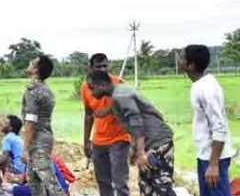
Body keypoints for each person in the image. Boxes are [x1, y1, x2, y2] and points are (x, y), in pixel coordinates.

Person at [87, 70, 176, 196]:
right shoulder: (118, 93)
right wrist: (135, 149)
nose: (90, 93)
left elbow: (137, 123)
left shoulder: (120, 96)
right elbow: (132, 126)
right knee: (146, 187)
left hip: (158, 141)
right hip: (147, 143)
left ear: (101, 85)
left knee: (161, 187)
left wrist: (140, 152)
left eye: (92, 88)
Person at [180, 44, 234, 196]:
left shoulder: (208, 89)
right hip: (205, 155)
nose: (180, 61)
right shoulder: (198, 85)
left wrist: (213, 164)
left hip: (214, 158)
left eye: (183, 58)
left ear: (191, 65)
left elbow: (220, 127)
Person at [81, 53, 131, 196]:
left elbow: (129, 110)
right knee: (103, 181)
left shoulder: (118, 83)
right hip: (98, 140)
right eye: (98, 66)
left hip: (119, 138)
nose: (103, 69)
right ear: (91, 68)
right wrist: (86, 142)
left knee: (120, 181)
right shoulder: (86, 87)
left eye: (105, 66)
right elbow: (88, 114)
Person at [20, 56, 66, 196]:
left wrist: (25, 149)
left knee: (48, 180)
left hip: (37, 139)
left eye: (32, 62)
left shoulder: (33, 90)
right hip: (45, 136)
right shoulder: (46, 90)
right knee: (34, 181)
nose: (29, 63)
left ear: (36, 69)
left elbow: (30, 122)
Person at [0, 114, 26, 192]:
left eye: (5, 123)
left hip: (17, 170)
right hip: (24, 170)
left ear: (10, 128)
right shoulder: (17, 138)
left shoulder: (7, 138)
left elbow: (4, 158)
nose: (3, 124)